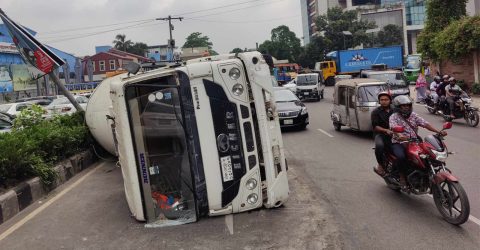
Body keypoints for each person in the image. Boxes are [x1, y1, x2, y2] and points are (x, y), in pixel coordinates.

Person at [389, 95, 447, 189]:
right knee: (401, 157)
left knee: (428, 154)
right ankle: (402, 177)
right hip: (399, 142)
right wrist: (400, 136)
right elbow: (394, 128)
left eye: (408, 105)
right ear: (398, 107)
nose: (406, 107)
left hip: (414, 141)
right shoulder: (393, 117)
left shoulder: (413, 115)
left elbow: (425, 124)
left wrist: (438, 131)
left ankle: (425, 173)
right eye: (403, 106)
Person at [371, 91, 394, 177]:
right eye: (382, 100)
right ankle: (380, 165)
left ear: (390, 100)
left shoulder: (395, 110)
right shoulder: (376, 112)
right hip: (381, 134)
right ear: (379, 101)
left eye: (386, 99)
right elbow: (375, 126)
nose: (384, 101)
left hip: (395, 134)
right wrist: (386, 130)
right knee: (380, 146)